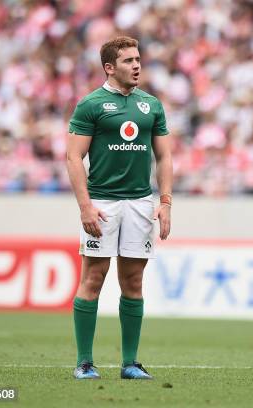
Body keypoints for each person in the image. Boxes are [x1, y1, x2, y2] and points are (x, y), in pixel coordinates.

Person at [65, 36, 172, 380]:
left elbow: (165, 156)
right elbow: (73, 156)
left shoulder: (151, 105)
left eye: (138, 59)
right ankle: (84, 362)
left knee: (133, 281)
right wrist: (85, 206)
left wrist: (165, 201)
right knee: (93, 278)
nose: (137, 65)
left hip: (141, 203)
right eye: (128, 61)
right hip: (102, 202)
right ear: (109, 68)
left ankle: (130, 363)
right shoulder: (91, 104)